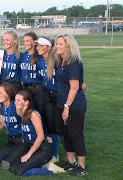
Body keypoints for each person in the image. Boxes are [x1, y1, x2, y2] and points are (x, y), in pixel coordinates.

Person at [55, 34, 87, 176]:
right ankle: (70, 161)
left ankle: (81, 166)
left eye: (61, 44)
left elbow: (74, 88)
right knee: (66, 134)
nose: (58, 46)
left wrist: (66, 107)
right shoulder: (62, 61)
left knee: (75, 134)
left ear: (69, 46)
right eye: (57, 44)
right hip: (63, 104)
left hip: (74, 106)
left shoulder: (73, 62)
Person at [9, 90, 52, 176]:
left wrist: (28, 154)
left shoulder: (33, 115)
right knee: (12, 168)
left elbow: (41, 137)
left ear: (26, 102)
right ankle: (37, 164)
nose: (15, 102)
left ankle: (50, 170)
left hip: (42, 149)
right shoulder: (21, 112)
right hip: (30, 146)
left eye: (18, 100)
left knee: (20, 172)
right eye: (15, 100)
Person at [35, 37, 62, 163]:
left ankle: (68, 155)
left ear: (49, 47)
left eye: (41, 46)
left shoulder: (57, 59)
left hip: (59, 95)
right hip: (46, 95)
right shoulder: (39, 60)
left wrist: (80, 83)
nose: (38, 48)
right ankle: (54, 154)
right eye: (38, 46)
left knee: (60, 127)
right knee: (49, 126)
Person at [0, 83, 22, 167]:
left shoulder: (16, 105)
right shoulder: (1, 106)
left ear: (8, 93)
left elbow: (27, 122)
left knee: (6, 163)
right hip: (10, 138)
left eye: (1, 93)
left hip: (21, 139)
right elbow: (3, 123)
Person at [20, 32, 44, 115]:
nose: (25, 43)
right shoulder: (24, 55)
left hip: (37, 88)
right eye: (24, 41)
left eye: (28, 41)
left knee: (39, 111)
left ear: (34, 42)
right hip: (25, 87)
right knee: (27, 111)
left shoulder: (39, 55)